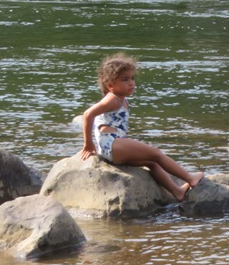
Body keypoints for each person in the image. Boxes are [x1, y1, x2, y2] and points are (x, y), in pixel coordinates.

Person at [80, 53, 204, 202]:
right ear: (111, 85)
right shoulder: (112, 99)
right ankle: (190, 178)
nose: (131, 83)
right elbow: (88, 115)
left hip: (112, 147)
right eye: (125, 79)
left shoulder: (119, 99)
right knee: (156, 153)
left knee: (152, 162)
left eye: (132, 78)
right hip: (113, 144)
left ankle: (177, 192)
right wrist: (88, 144)